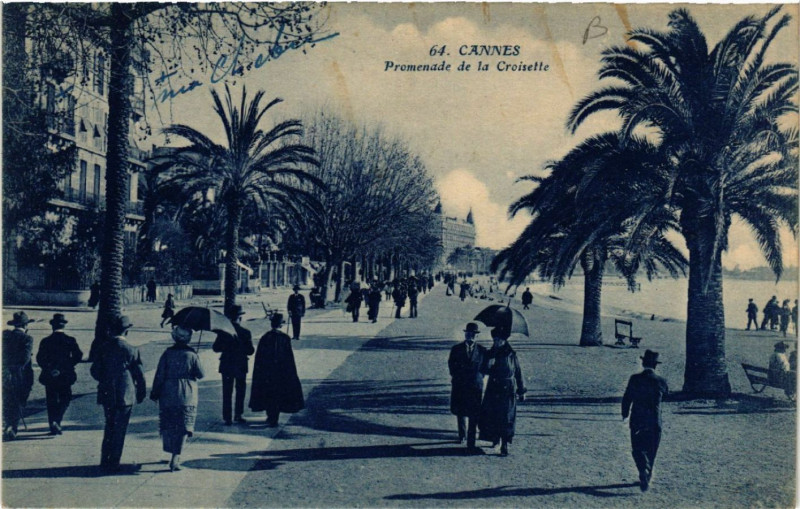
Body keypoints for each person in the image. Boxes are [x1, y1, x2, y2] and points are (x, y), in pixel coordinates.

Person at [90, 315, 146, 473]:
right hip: (125, 394)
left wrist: (105, 379)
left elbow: (94, 371)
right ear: (127, 331)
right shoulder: (131, 350)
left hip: (107, 393)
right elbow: (139, 375)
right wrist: (140, 393)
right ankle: (114, 462)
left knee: (109, 427)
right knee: (120, 429)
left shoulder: (103, 348)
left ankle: (104, 460)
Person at [150, 326, 205, 472]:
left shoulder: (167, 353)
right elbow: (201, 374)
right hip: (187, 393)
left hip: (168, 392)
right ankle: (175, 456)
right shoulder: (191, 354)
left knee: (169, 423)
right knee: (184, 426)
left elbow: (159, 375)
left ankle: (171, 451)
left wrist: (155, 392)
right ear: (189, 338)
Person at [621, 349, 669, 492]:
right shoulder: (661, 381)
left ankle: (643, 469)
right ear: (655, 366)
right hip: (654, 420)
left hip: (637, 419)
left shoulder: (634, 379)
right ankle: (647, 474)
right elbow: (666, 395)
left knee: (637, 448)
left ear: (643, 363)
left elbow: (627, 397)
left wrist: (624, 413)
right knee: (651, 449)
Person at [249, 313, 305, 427]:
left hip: (267, 372)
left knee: (269, 394)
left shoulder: (265, 337)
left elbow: (259, 358)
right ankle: (274, 418)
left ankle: (271, 417)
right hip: (281, 372)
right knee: (278, 394)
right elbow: (289, 358)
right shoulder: (284, 338)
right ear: (281, 325)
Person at [479, 327, 526, 456]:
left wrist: (521, 390)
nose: (497, 342)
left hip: (508, 389)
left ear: (505, 341)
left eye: (500, 340)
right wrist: (489, 364)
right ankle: (495, 439)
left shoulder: (511, 354)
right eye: (495, 340)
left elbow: (518, 372)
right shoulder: (490, 354)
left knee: (507, 417)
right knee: (493, 415)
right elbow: (484, 370)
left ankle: (504, 444)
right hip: (494, 388)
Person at [37, 313, 83, 435]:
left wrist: (50, 369)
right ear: (64, 326)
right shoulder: (70, 340)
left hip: (50, 375)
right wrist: (66, 367)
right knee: (65, 398)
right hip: (65, 376)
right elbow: (78, 356)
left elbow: (40, 358)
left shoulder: (46, 341)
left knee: (51, 400)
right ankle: (57, 421)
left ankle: (53, 425)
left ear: (52, 326)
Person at [212, 305, 255, 425]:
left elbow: (215, 348)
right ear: (240, 317)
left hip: (226, 365)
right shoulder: (245, 333)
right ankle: (238, 414)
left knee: (227, 391)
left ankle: (227, 417)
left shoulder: (223, 333)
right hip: (241, 365)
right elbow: (250, 351)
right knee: (240, 391)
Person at [448, 323, 486, 452]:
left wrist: (478, 377)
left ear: (476, 336)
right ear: (465, 334)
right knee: (460, 411)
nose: (471, 336)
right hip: (460, 384)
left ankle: (471, 441)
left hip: (475, 386)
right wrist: (459, 377)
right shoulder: (456, 349)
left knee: (474, 413)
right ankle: (462, 435)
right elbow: (451, 366)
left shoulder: (482, 350)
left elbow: (485, 368)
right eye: (468, 334)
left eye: (473, 334)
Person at [3, 312, 35, 441]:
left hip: (3, 373)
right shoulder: (27, 338)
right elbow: (25, 359)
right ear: (26, 325)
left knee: (7, 400)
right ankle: (12, 427)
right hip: (19, 375)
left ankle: (8, 425)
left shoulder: (4, 336)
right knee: (19, 400)